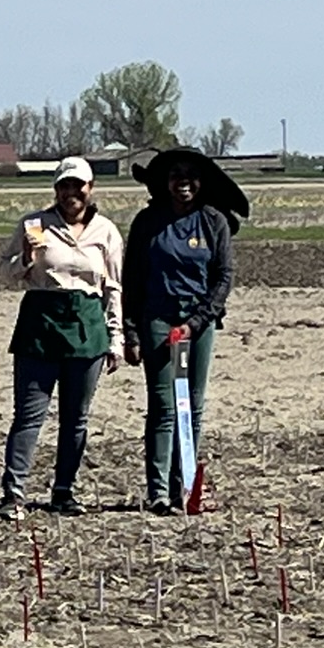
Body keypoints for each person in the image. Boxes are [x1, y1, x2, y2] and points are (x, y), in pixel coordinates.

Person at [0, 156, 124, 518]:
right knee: (29, 415)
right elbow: (5, 273)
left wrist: (116, 338)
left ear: (90, 189)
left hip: (87, 327)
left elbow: (113, 287)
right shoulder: (34, 224)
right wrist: (26, 258)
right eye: (64, 186)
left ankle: (64, 491)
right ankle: (14, 494)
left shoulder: (106, 232)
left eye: (78, 186)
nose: (71, 193)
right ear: (56, 189)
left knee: (76, 418)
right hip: (41, 326)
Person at [121, 148, 247, 514]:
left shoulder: (213, 221)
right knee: (162, 407)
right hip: (157, 320)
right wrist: (131, 332)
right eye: (176, 176)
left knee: (192, 405)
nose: (183, 183)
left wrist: (197, 322)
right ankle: (159, 492)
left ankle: (187, 487)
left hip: (199, 323)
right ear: (165, 182)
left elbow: (223, 277)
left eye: (190, 177)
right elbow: (132, 278)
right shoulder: (148, 221)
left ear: (200, 182)